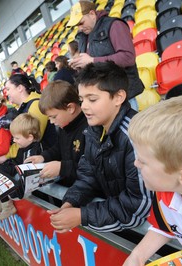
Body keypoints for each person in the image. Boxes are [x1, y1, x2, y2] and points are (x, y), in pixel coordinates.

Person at [48, 62, 152, 233]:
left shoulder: (136, 137)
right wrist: (70, 202)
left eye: (92, 99)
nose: (84, 106)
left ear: (118, 97)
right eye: (82, 100)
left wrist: (82, 215)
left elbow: (137, 207)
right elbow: (87, 176)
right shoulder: (93, 131)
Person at [123, 95, 182, 265]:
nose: (136, 163)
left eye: (143, 160)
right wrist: (137, 257)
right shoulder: (165, 193)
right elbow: (166, 225)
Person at [66, 0, 144, 111]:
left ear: (92, 14)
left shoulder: (114, 25)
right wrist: (80, 66)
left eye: (81, 23)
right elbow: (91, 63)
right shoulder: (83, 35)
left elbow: (128, 57)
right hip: (103, 96)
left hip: (123, 95)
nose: (79, 28)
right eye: (77, 25)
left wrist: (92, 61)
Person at [25, 80, 88, 187]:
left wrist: (62, 168)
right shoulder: (65, 127)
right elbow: (59, 148)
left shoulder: (89, 129)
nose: (51, 121)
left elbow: (91, 169)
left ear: (70, 108)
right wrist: (43, 157)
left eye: (53, 117)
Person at [0, 113, 43, 220]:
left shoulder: (34, 150)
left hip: (26, 182)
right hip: (17, 171)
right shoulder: (22, 146)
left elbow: (27, 171)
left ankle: (7, 205)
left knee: (6, 175)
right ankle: (4, 203)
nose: (14, 140)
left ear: (30, 137)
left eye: (16, 138)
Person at [0, 74, 57, 163]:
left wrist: (7, 155)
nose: (7, 93)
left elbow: (31, 139)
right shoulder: (25, 106)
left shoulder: (35, 105)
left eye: (8, 89)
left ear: (20, 88)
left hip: (47, 159)